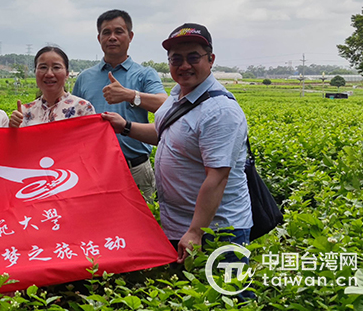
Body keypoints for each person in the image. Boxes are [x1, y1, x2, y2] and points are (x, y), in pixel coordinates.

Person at [101, 24, 252, 263]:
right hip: (179, 225)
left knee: (226, 296)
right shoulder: (177, 95)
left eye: (193, 57)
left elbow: (217, 177)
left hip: (216, 231)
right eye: (176, 59)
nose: (184, 66)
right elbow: (165, 135)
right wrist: (125, 127)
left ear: (210, 59)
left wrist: (196, 231)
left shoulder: (220, 110)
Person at [72, 10, 167, 203]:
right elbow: (72, 119)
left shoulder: (145, 74)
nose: (112, 37)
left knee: (143, 228)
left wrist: (130, 95)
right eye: (106, 32)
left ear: (130, 36)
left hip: (135, 169)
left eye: (119, 31)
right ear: (99, 38)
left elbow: (165, 105)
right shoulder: (84, 78)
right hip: (94, 170)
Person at [10, 46, 95, 127]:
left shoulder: (83, 108)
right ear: (35, 72)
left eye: (56, 67)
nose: (49, 74)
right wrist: (13, 128)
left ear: (67, 74)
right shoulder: (25, 112)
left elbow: (93, 140)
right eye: (43, 67)